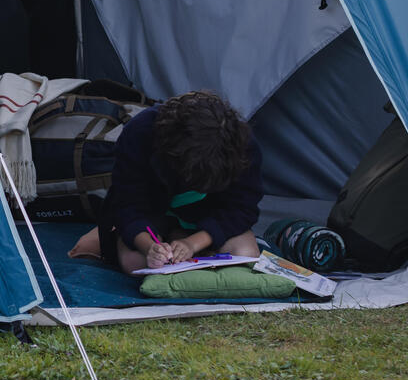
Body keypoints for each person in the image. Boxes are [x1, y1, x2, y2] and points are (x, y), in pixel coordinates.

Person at [71, 90, 264, 273]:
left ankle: (181, 239)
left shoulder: (242, 146)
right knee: (136, 264)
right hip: (152, 214)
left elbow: (242, 208)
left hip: (206, 215)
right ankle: (108, 235)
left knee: (244, 256)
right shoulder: (140, 133)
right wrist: (150, 248)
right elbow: (127, 204)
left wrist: (194, 243)